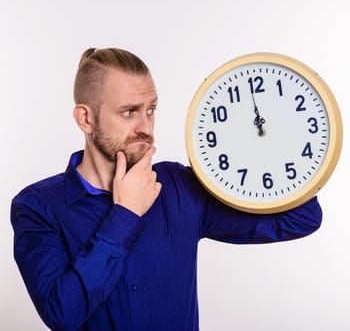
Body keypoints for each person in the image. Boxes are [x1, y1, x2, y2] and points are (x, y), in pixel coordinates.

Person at [11, 48, 322, 331]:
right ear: (86, 118)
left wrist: (270, 144)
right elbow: (62, 314)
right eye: (129, 112)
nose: (146, 127)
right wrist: (126, 214)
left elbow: (299, 218)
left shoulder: (178, 187)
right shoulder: (38, 207)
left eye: (151, 110)